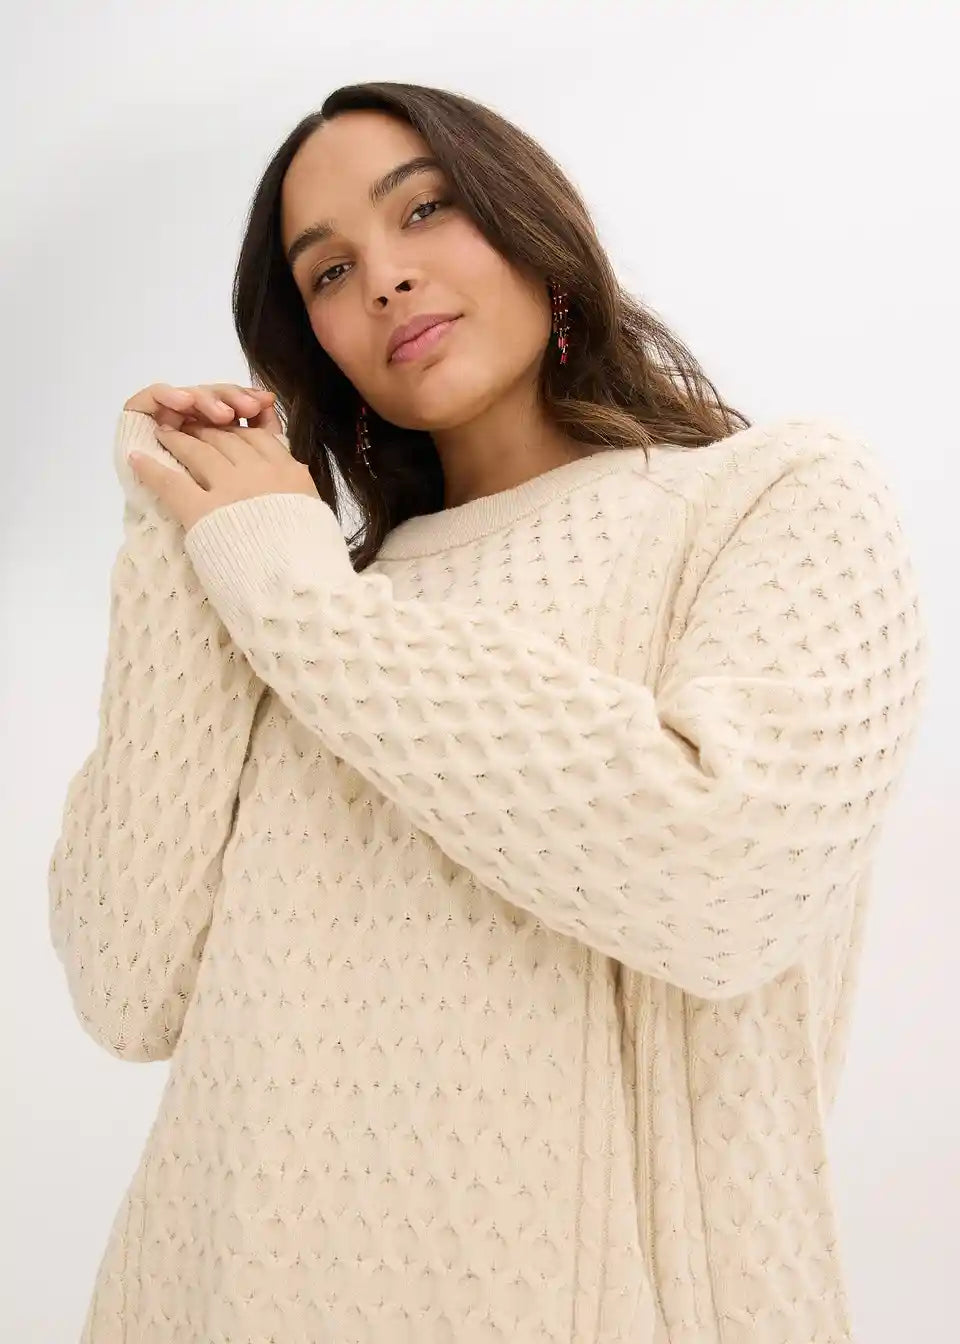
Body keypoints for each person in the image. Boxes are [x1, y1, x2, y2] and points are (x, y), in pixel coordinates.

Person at [48, 81, 925, 1344]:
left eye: (426, 209)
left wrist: (293, 592)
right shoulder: (291, 588)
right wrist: (178, 541)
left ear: (537, 234)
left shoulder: (771, 497)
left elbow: (725, 880)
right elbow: (127, 989)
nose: (386, 277)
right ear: (316, 345)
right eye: (330, 271)